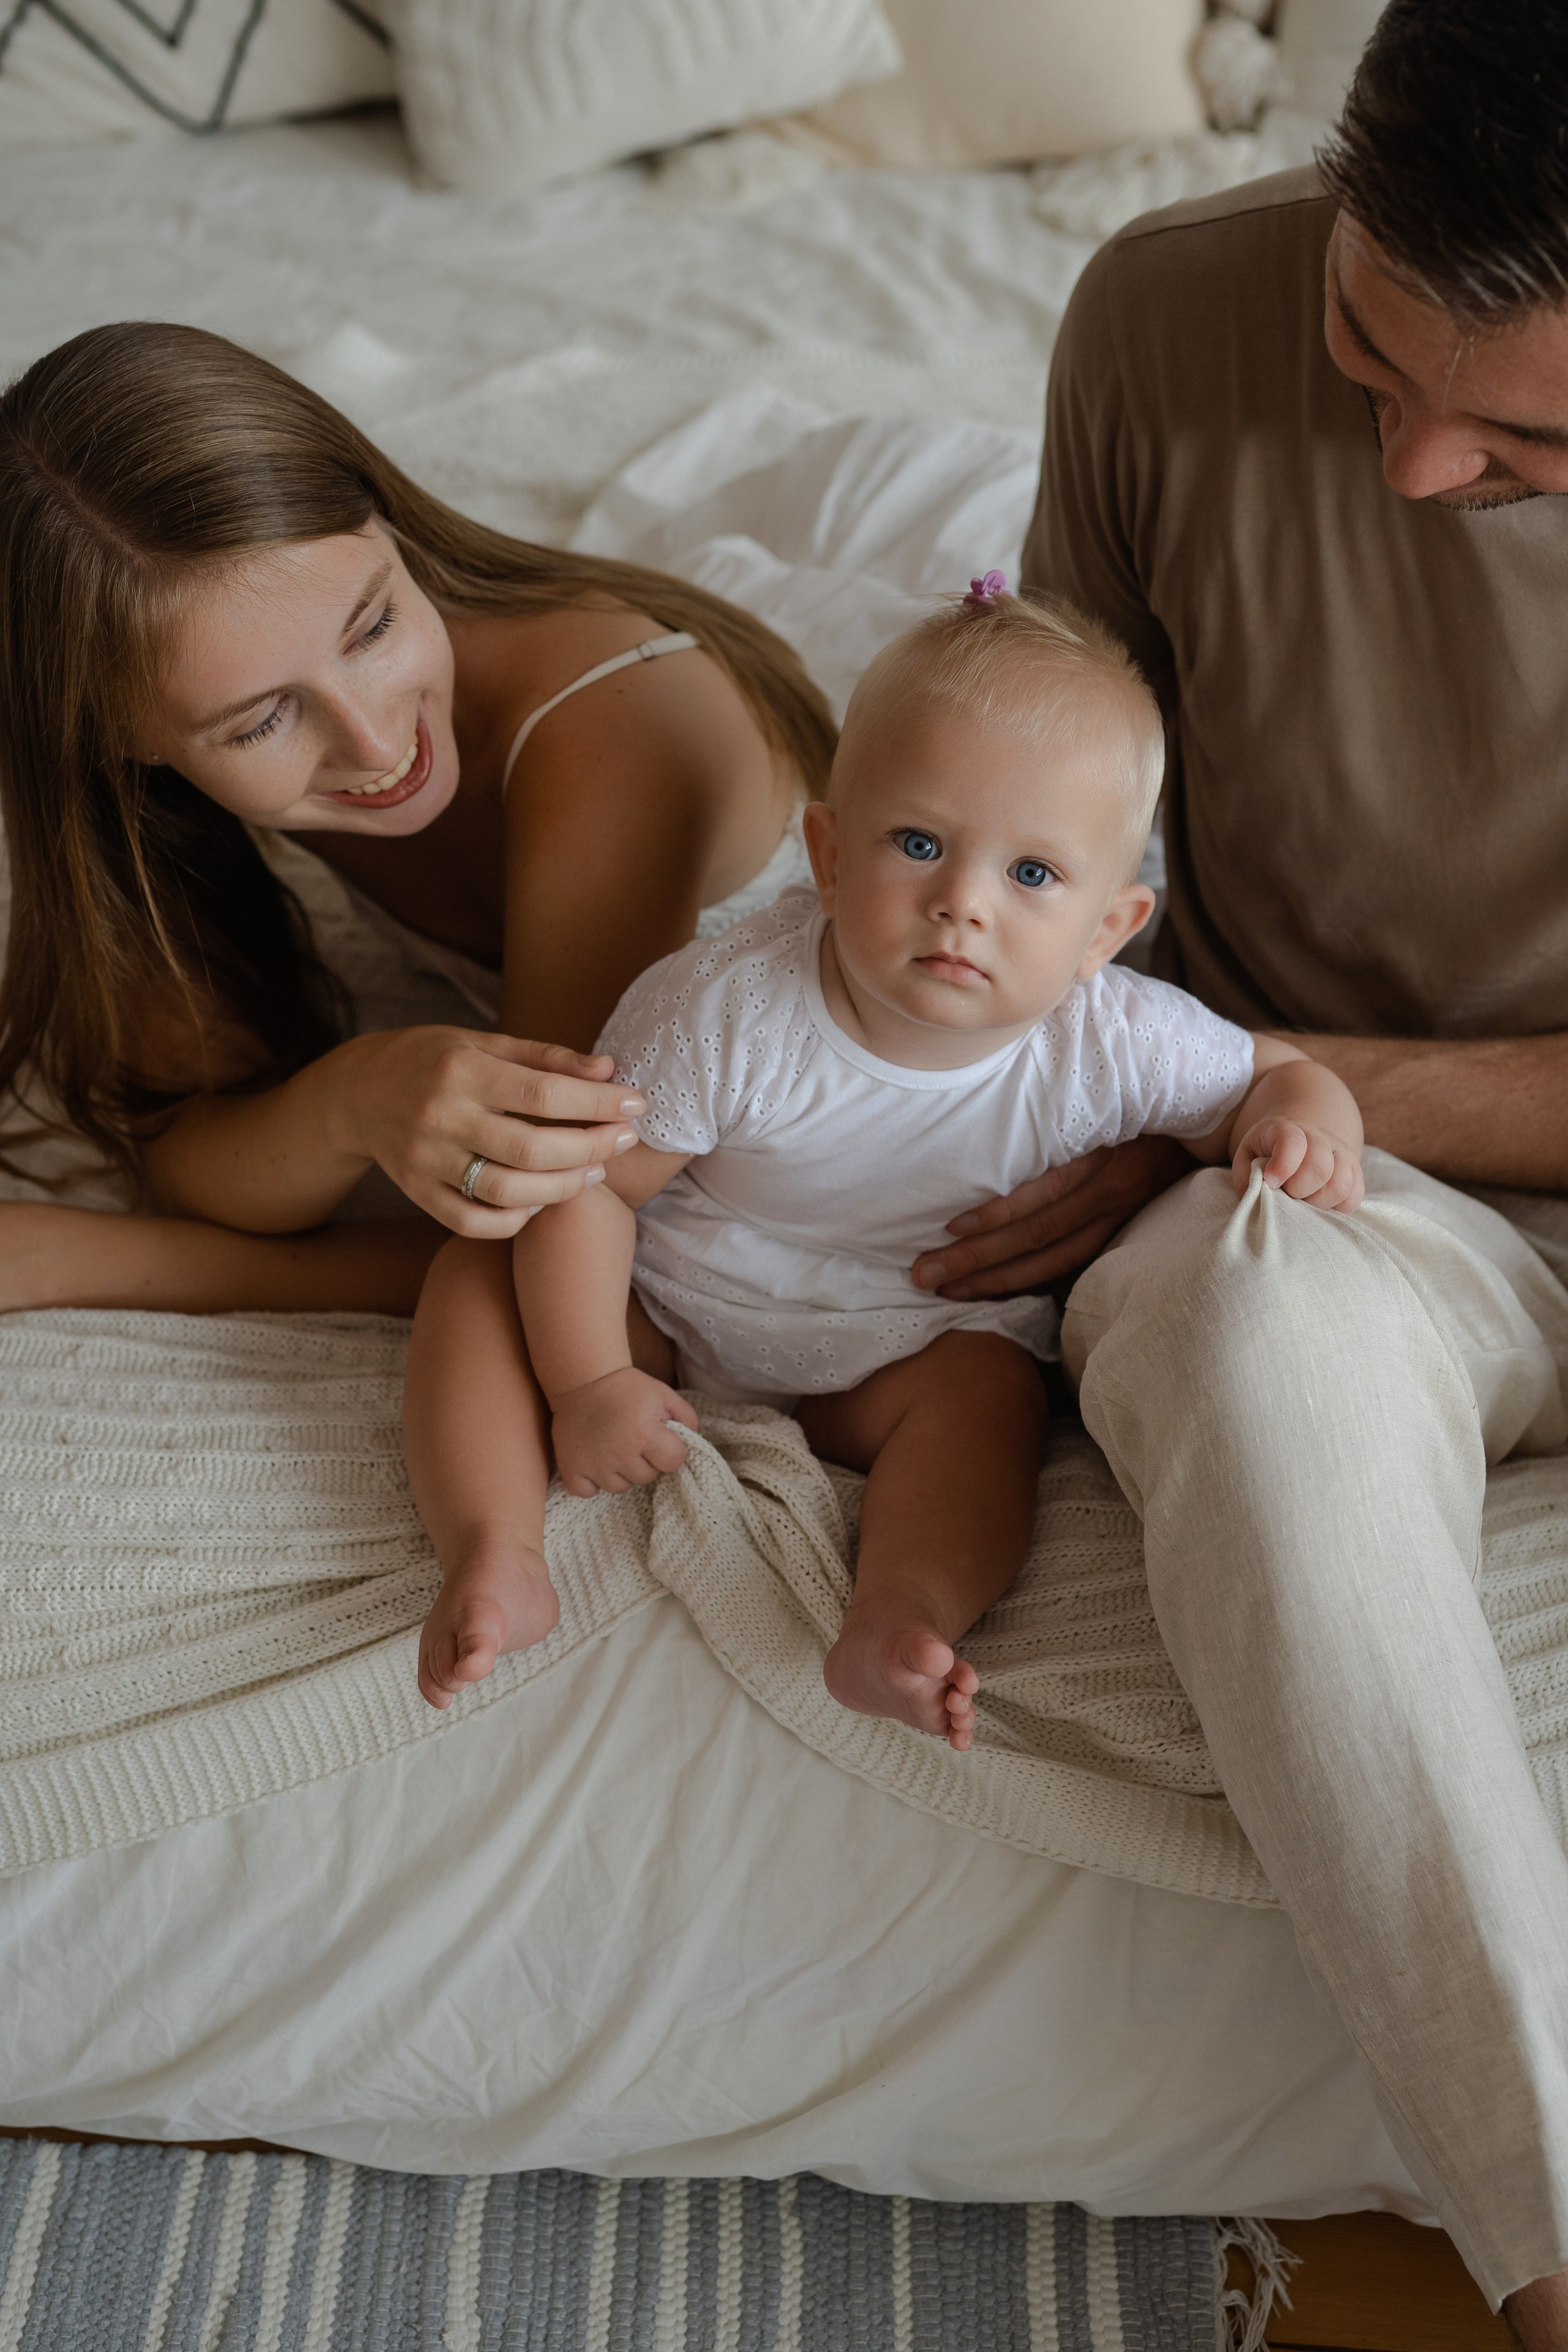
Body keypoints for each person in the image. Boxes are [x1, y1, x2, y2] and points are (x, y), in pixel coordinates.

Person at [907, 1, 1568, 2333]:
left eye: (1526, 440)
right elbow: (1043, 834)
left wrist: (1261, 1069)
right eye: (1371, 355)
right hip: (1311, 1181)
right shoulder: (1166, 318)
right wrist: (1121, 1079)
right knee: (1259, 1331)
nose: (1413, 468)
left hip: (1300, 1088)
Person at [407, 582, 1363, 1741]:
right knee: (478, 1267)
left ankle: (897, 1619)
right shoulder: (728, 1009)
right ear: (827, 853)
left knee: (991, 1399)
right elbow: (596, 1188)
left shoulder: (1115, 1038)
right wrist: (587, 1382)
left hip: (898, 1348)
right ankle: (494, 1553)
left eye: (1032, 877)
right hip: (672, 1301)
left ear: (1107, 930)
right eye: (919, 844)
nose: (962, 903)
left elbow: (1276, 1075)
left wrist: (1307, 1126)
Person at [0, 319, 834, 1322]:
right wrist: (354, 1096)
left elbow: (565, 1227)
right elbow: (187, 1149)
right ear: (120, 742)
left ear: (387, 521)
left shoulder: (615, 738)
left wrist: (91, 1261)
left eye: (376, 625)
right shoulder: (157, 760)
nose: (373, 740)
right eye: (263, 720)